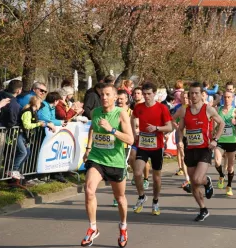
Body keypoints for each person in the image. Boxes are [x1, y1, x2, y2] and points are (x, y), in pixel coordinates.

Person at [81, 84, 134, 247]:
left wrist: (111, 130)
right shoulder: (96, 112)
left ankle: (123, 226)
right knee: (89, 190)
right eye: (102, 94)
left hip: (115, 161)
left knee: (119, 198)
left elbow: (130, 139)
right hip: (97, 158)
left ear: (115, 97)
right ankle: (93, 228)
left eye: (107, 94)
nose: (104, 97)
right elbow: (92, 128)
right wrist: (88, 148)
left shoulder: (121, 114)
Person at [175, 82, 225, 222]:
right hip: (190, 149)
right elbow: (180, 128)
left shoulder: (208, 109)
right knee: (194, 182)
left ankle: (206, 181)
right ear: (188, 95)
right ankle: (203, 209)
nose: (194, 95)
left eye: (197, 93)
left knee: (197, 179)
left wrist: (215, 139)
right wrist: (180, 140)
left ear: (202, 95)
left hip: (205, 149)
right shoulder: (185, 111)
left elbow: (221, 123)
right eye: (191, 93)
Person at [131, 82, 173, 215]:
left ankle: (155, 201)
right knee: (137, 173)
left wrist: (156, 128)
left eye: (149, 94)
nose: (146, 96)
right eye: (144, 94)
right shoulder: (139, 107)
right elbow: (133, 117)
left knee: (156, 178)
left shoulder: (162, 108)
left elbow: (169, 127)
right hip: (143, 145)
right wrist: (133, 134)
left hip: (157, 147)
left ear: (154, 94)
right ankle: (142, 196)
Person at [215, 91, 236, 196]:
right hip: (220, 140)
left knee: (230, 167)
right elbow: (214, 124)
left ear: (232, 99)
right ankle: (221, 175)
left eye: (229, 97)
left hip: (231, 141)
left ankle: (229, 186)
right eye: (225, 97)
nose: (227, 99)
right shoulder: (218, 110)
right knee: (217, 162)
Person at [11, 96, 46, 180]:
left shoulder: (33, 112)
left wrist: (40, 123)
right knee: (23, 152)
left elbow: (33, 122)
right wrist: (38, 124)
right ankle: (14, 170)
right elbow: (27, 125)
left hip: (24, 136)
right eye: (40, 103)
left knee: (27, 152)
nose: (41, 106)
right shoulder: (28, 112)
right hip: (19, 134)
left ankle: (17, 171)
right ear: (36, 104)